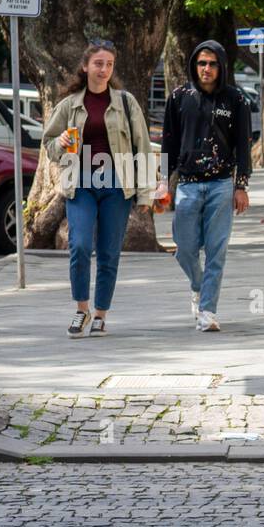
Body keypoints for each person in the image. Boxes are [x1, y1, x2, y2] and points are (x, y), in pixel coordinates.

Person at [42, 39, 157, 338]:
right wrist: (61, 143)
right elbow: (49, 145)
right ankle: (81, 310)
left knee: (109, 252)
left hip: (116, 186)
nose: (103, 69)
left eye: (108, 64)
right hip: (81, 185)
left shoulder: (125, 103)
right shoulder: (69, 105)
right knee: (79, 246)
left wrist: (146, 194)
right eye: (98, 63)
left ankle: (101, 315)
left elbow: (142, 148)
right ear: (85, 66)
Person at [162, 40, 253, 332]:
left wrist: (241, 185)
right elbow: (168, 143)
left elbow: (243, 146)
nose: (207, 69)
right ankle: (198, 286)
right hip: (188, 184)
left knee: (217, 250)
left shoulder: (236, 100)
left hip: (221, 185)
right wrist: (163, 183)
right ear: (194, 65)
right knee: (184, 248)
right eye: (202, 63)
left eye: (213, 64)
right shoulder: (179, 97)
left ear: (222, 66)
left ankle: (208, 311)